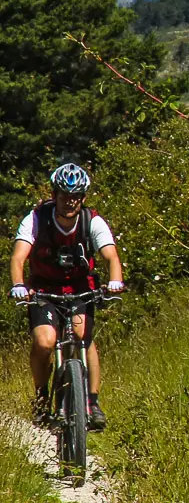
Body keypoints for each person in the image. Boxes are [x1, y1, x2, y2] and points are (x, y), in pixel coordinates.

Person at [8, 164, 124, 430]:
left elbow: (110, 255)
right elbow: (18, 257)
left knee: (84, 335)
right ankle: (41, 397)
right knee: (45, 341)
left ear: (82, 198)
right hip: (44, 291)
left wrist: (115, 281)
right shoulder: (37, 218)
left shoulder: (91, 221)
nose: (69, 201)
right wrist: (18, 284)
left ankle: (91, 401)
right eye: (64, 195)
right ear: (55, 194)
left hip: (81, 289)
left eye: (75, 196)